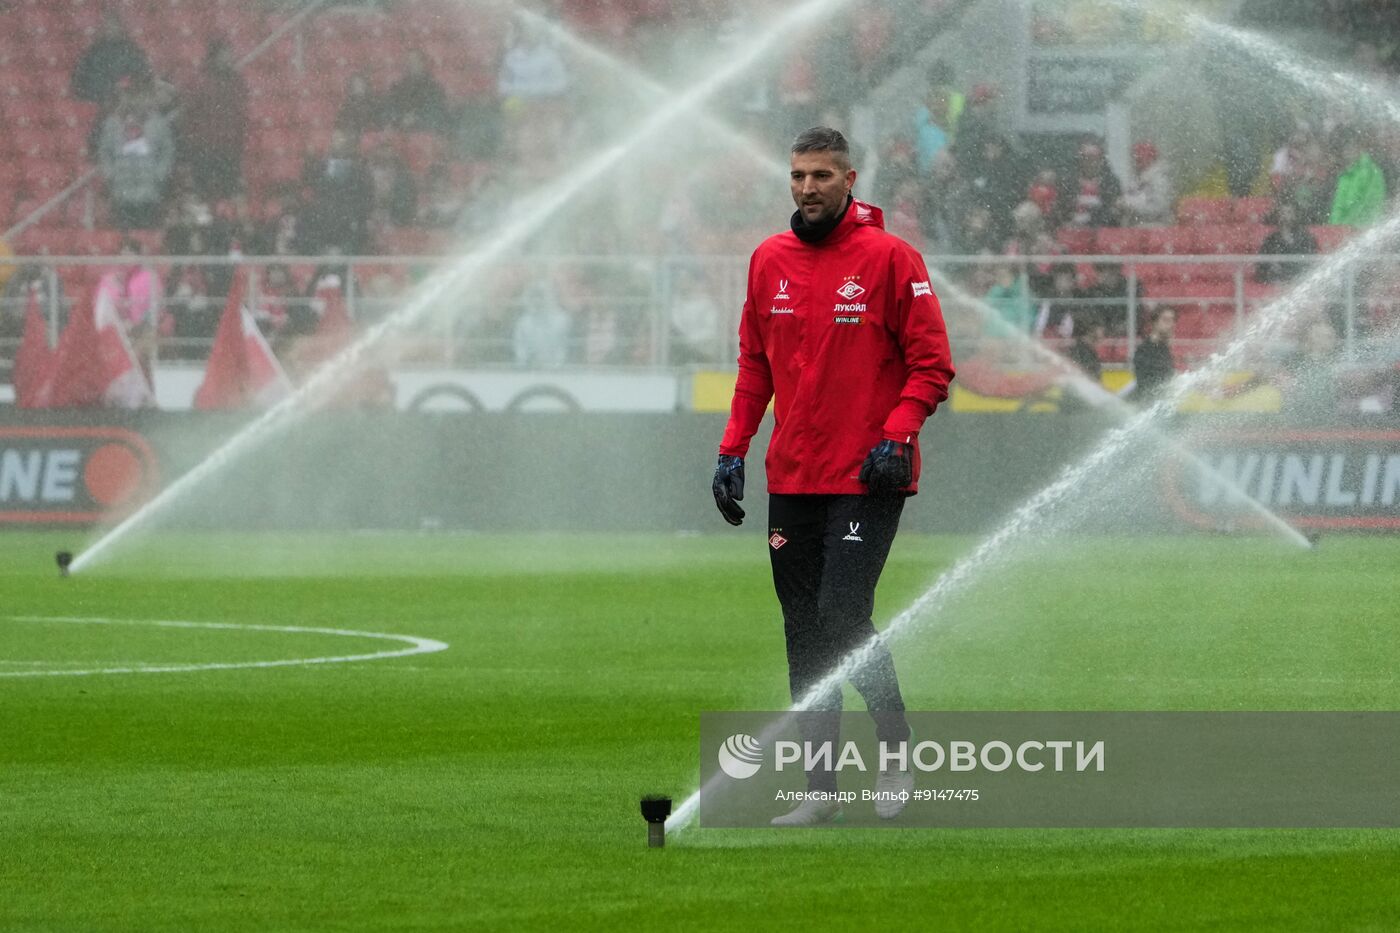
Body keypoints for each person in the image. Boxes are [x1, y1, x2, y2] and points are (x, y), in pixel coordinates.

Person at [712, 127, 955, 826]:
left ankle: (896, 747)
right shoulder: (768, 261)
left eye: (821, 175)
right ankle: (821, 788)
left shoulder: (889, 257)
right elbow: (755, 366)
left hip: (867, 474)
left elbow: (932, 364)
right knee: (801, 628)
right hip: (793, 475)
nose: (808, 187)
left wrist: (897, 434)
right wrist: (733, 450)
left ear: (850, 179)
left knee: (841, 613)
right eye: (797, 175)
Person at [178, 38, 248, 200]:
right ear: (215, 56)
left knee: (227, 192)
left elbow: (239, 112)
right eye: (226, 53)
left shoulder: (236, 82)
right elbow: (190, 112)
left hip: (229, 148)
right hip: (204, 147)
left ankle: (225, 219)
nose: (230, 57)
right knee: (204, 191)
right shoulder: (201, 81)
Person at [1130, 307, 1177, 401]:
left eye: (1172, 320)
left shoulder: (1163, 349)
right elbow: (1147, 384)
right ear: (1154, 323)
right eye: (1165, 320)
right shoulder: (1145, 350)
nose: (1170, 324)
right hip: (1147, 403)